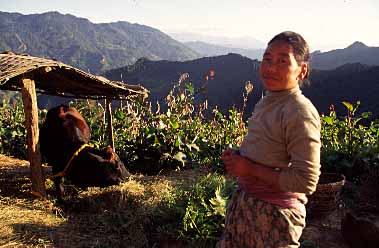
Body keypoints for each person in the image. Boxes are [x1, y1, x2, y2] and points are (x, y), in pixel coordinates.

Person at [217, 31, 321, 248]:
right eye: (267, 59)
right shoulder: (268, 101)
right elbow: (269, 153)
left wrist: (249, 168)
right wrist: (240, 157)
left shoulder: (299, 111)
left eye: (283, 61)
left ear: (302, 70)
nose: (271, 67)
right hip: (246, 206)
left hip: (275, 216)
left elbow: (306, 181)